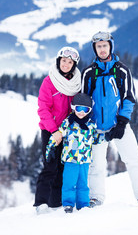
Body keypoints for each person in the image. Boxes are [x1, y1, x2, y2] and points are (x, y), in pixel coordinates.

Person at [81, 31, 138, 207]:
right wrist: (87, 123)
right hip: (97, 128)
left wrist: (122, 122)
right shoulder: (89, 73)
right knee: (96, 165)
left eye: (104, 46)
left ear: (110, 47)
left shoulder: (121, 70)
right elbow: (83, 100)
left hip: (119, 124)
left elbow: (129, 98)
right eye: (98, 47)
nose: (101, 49)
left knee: (133, 159)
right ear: (95, 49)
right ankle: (96, 197)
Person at [34, 46, 81, 214]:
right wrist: (54, 131)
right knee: (50, 166)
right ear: (58, 61)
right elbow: (43, 109)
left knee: (63, 167)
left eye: (70, 62)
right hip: (51, 131)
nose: (66, 64)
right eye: (64, 61)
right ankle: (41, 203)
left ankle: (55, 203)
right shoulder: (49, 81)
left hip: (68, 132)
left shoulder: (76, 83)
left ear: (74, 65)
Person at [45, 93, 105, 213]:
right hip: (70, 159)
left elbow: (97, 138)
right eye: (79, 108)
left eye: (85, 109)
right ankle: (68, 204)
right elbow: (58, 135)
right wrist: (50, 148)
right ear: (73, 107)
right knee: (69, 182)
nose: (81, 112)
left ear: (89, 110)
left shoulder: (91, 125)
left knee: (83, 184)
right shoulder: (68, 123)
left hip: (84, 160)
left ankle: (83, 204)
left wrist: (105, 136)